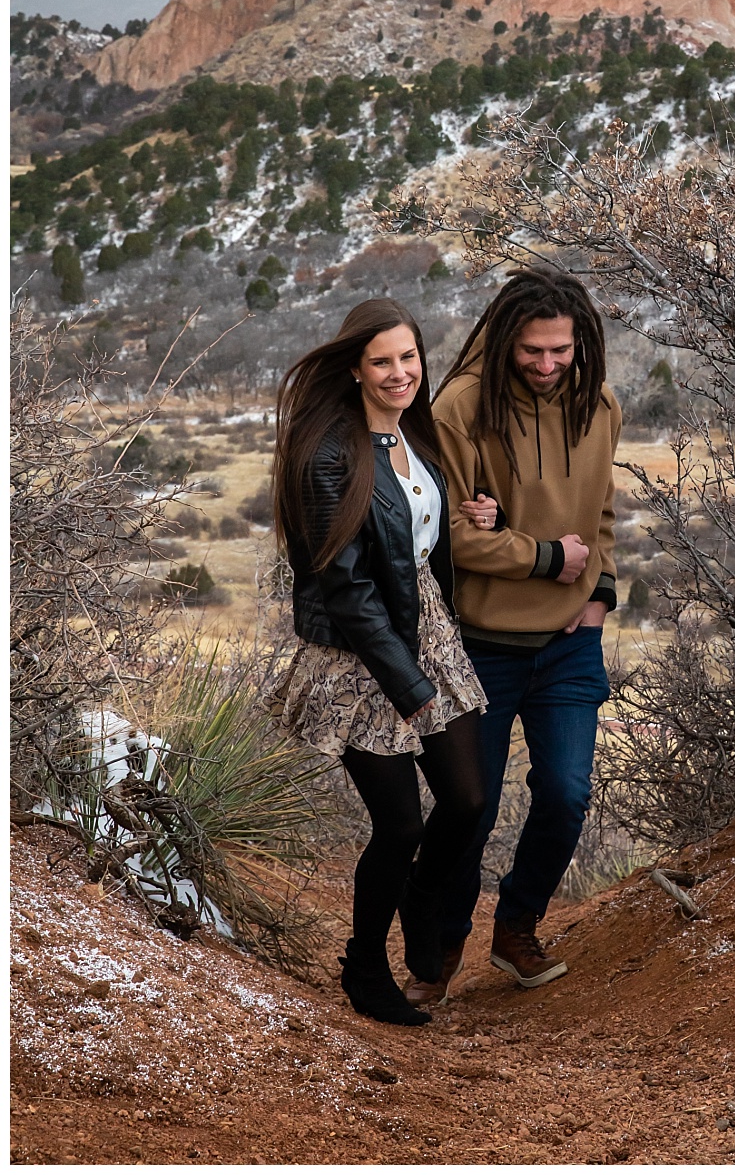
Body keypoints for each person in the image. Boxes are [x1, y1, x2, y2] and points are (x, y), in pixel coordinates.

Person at [268, 298, 495, 1027]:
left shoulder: (412, 434)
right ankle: (365, 965)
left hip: (427, 632)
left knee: (465, 801)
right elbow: (349, 585)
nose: (400, 373)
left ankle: (420, 901)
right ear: (356, 368)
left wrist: (475, 518)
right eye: (382, 361)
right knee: (400, 826)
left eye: (409, 357)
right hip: (359, 658)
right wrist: (406, 683)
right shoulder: (329, 453)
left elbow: (413, 538)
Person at [417, 267, 620, 1006]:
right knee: (469, 808)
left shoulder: (601, 407)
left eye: (560, 351)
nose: (545, 365)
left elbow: (599, 522)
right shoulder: (461, 410)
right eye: (531, 351)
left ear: (581, 343)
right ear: (506, 341)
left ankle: (517, 926)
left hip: (569, 643)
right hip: (481, 646)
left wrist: (595, 599)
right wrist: (546, 558)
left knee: (566, 794)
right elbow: (446, 543)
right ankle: (436, 952)